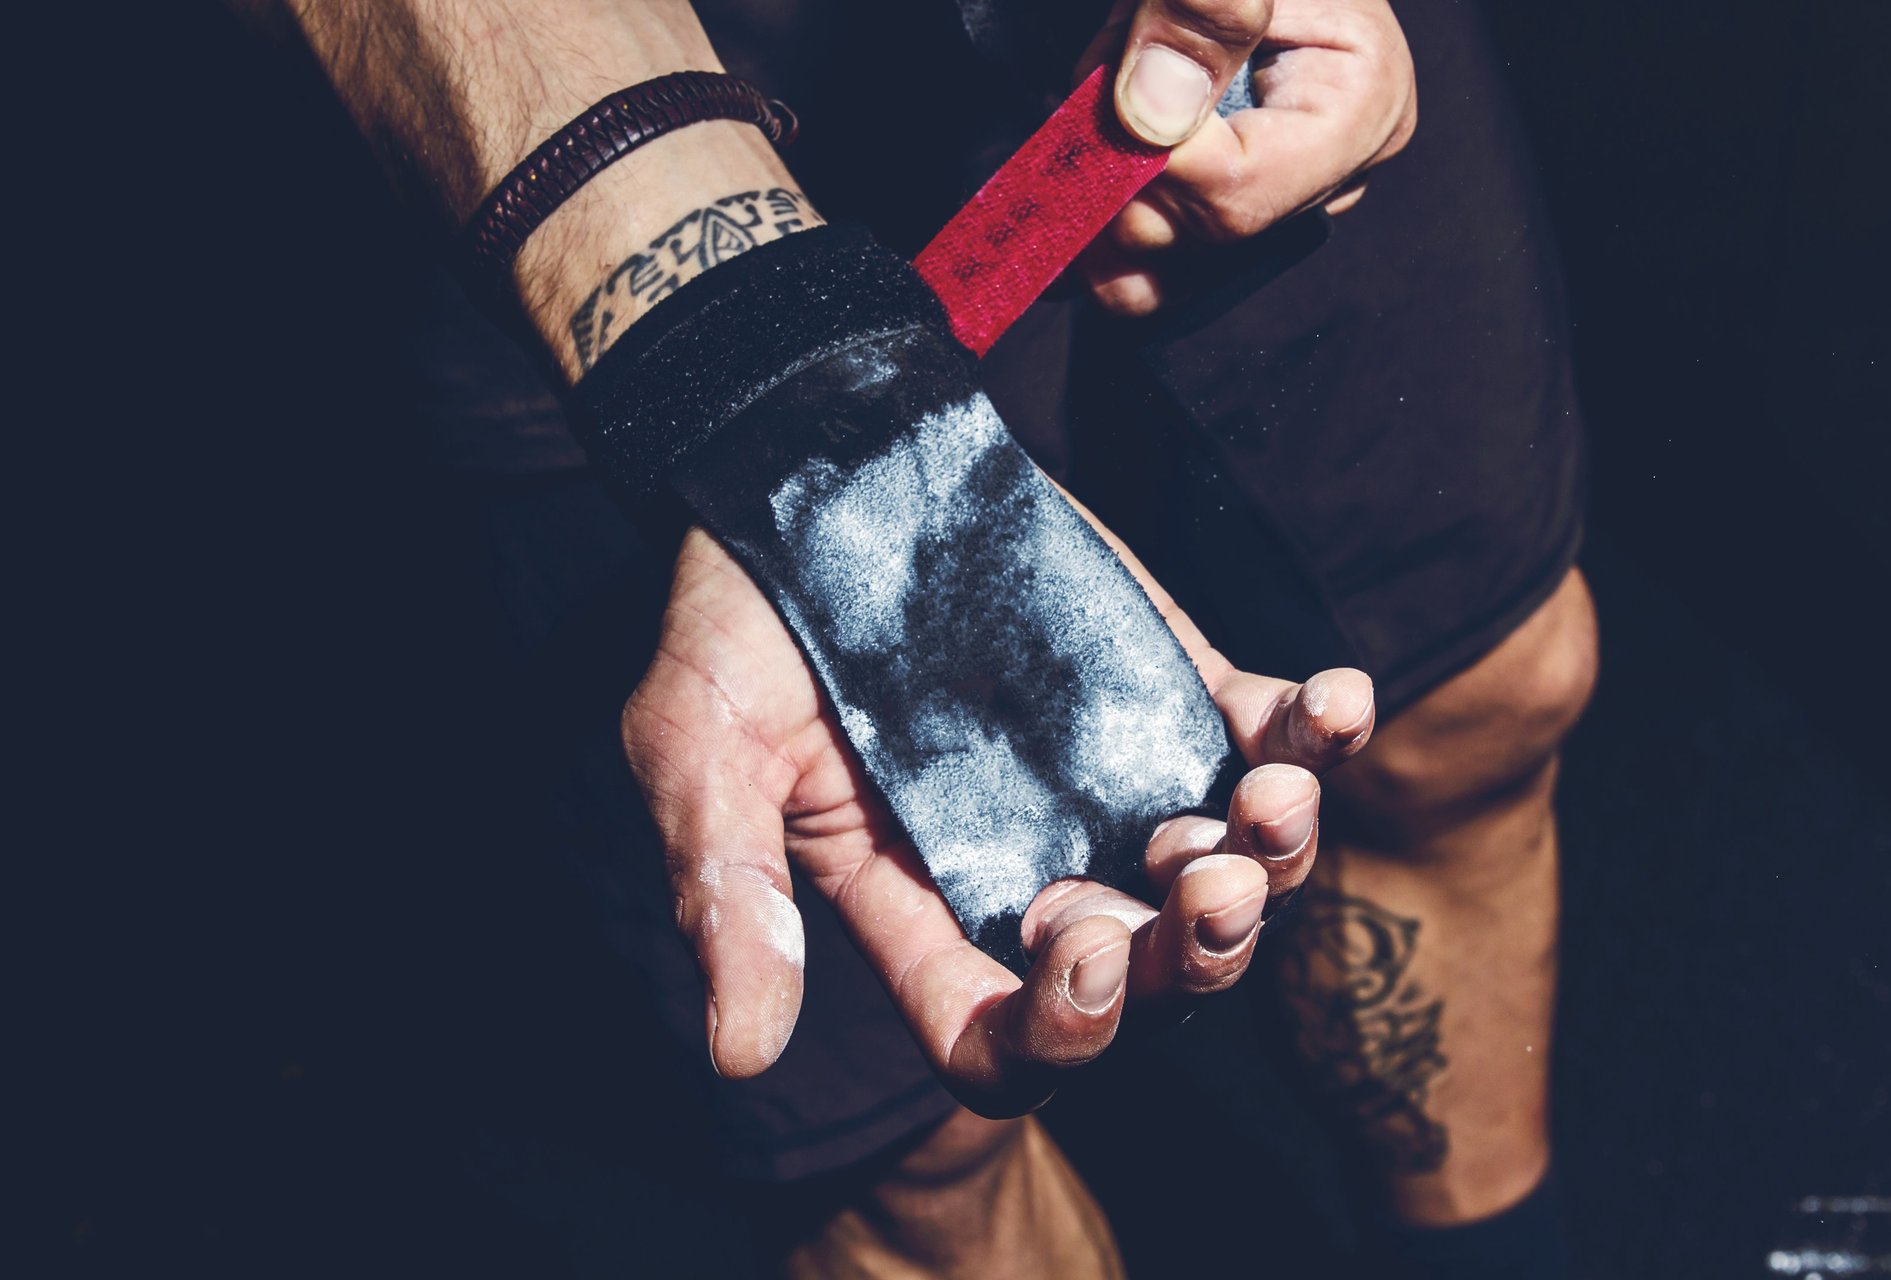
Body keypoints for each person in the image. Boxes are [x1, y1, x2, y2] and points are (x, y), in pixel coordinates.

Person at [257, 0, 1597, 1272]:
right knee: (917, 1126)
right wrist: (760, 382)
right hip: (601, 109)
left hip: (1170, 51)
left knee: (1469, 705)